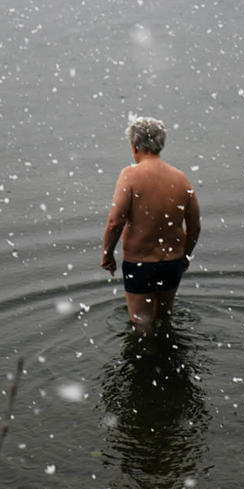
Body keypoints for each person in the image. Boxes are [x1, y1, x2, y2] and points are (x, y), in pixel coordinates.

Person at [101, 117, 201, 330]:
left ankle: (146, 359)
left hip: (140, 263)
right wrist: (185, 255)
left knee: (141, 326)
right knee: (164, 321)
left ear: (134, 146)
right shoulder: (181, 178)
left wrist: (107, 253)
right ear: (160, 144)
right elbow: (195, 226)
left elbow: (114, 222)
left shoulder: (130, 175)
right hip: (171, 262)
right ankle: (169, 358)